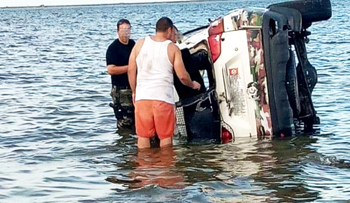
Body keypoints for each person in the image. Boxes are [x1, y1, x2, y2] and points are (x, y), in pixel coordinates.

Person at [128, 17, 201, 149]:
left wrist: (134, 92)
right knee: (165, 137)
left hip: (142, 97)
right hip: (163, 99)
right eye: (173, 32)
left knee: (143, 137)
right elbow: (183, 76)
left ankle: (143, 168)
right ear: (169, 29)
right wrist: (193, 84)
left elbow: (131, 70)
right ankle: (166, 168)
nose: (174, 35)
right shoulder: (172, 48)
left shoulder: (140, 43)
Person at [106, 19, 135, 129]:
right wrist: (130, 68)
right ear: (117, 31)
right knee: (125, 122)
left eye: (128, 29)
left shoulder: (133, 44)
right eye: (123, 30)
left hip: (133, 87)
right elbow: (111, 70)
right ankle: (123, 143)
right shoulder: (113, 48)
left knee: (136, 119)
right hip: (120, 90)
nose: (125, 32)